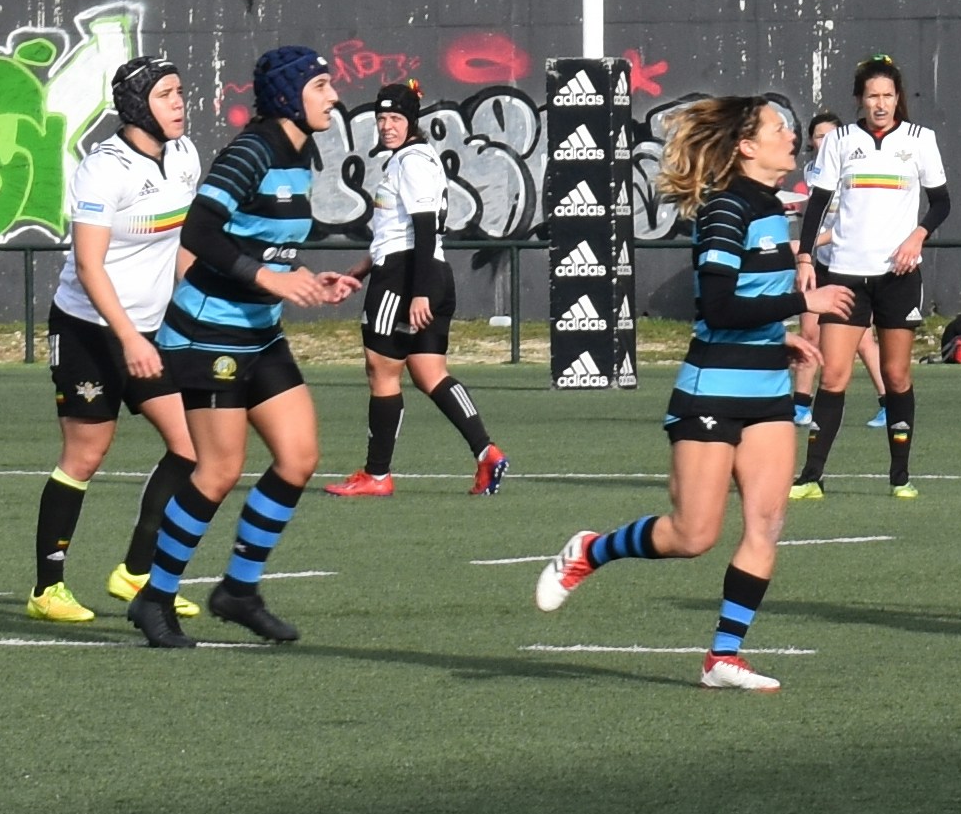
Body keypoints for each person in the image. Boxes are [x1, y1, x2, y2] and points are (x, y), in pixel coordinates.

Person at [536, 92, 816, 693]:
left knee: (766, 524)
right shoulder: (725, 210)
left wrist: (780, 338)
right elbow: (715, 304)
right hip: (711, 390)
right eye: (777, 127)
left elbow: (750, 304)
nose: (790, 135)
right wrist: (801, 304)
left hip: (766, 388)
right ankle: (593, 549)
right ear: (747, 146)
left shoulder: (774, 209)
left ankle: (724, 657)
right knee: (693, 536)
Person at [133, 48, 364, 649]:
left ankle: (238, 590)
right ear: (289, 96)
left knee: (299, 458)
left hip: (258, 331)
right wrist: (273, 280)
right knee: (218, 469)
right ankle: (154, 597)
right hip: (207, 333)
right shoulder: (251, 150)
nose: (333, 96)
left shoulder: (301, 153)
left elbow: (265, 243)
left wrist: (308, 277)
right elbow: (200, 230)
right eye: (320, 85)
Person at [25, 56, 198, 622]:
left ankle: (137, 573)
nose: (179, 103)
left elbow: (182, 249)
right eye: (167, 94)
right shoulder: (105, 168)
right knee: (86, 453)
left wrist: (195, 314)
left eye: (180, 92)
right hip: (89, 330)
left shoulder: (186, 157)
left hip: (151, 331)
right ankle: (47, 589)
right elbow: (90, 264)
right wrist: (128, 337)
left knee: (193, 447)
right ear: (135, 105)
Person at [331, 81, 507, 501]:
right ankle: (487, 452)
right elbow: (401, 230)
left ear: (412, 121)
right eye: (381, 118)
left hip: (408, 276)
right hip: (421, 270)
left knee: (381, 370)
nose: (387, 126)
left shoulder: (410, 161)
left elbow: (423, 229)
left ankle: (377, 474)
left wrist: (419, 292)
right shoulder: (410, 159)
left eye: (395, 118)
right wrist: (362, 267)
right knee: (429, 373)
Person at [808, 57, 948, 500]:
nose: (881, 103)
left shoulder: (921, 140)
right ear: (860, 100)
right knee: (832, 375)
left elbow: (942, 203)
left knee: (896, 374)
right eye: (873, 96)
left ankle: (900, 476)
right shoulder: (841, 142)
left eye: (888, 95)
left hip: (898, 275)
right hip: (845, 273)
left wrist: (918, 236)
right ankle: (810, 476)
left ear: (898, 98)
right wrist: (803, 257)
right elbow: (817, 204)